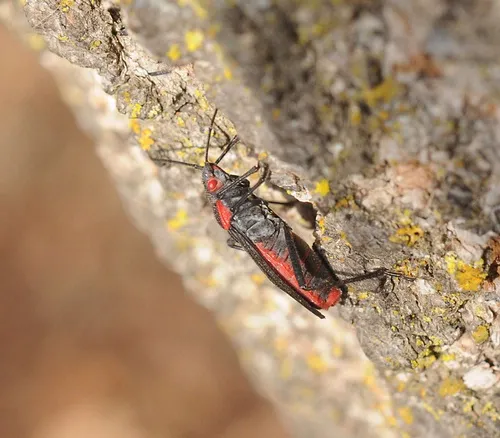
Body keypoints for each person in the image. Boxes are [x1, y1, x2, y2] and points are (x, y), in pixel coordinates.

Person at [0, 24, 290, 438]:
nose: (215, 174)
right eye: (214, 176)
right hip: (262, 240)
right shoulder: (225, 199)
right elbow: (237, 209)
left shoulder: (222, 193)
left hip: (258, 236)